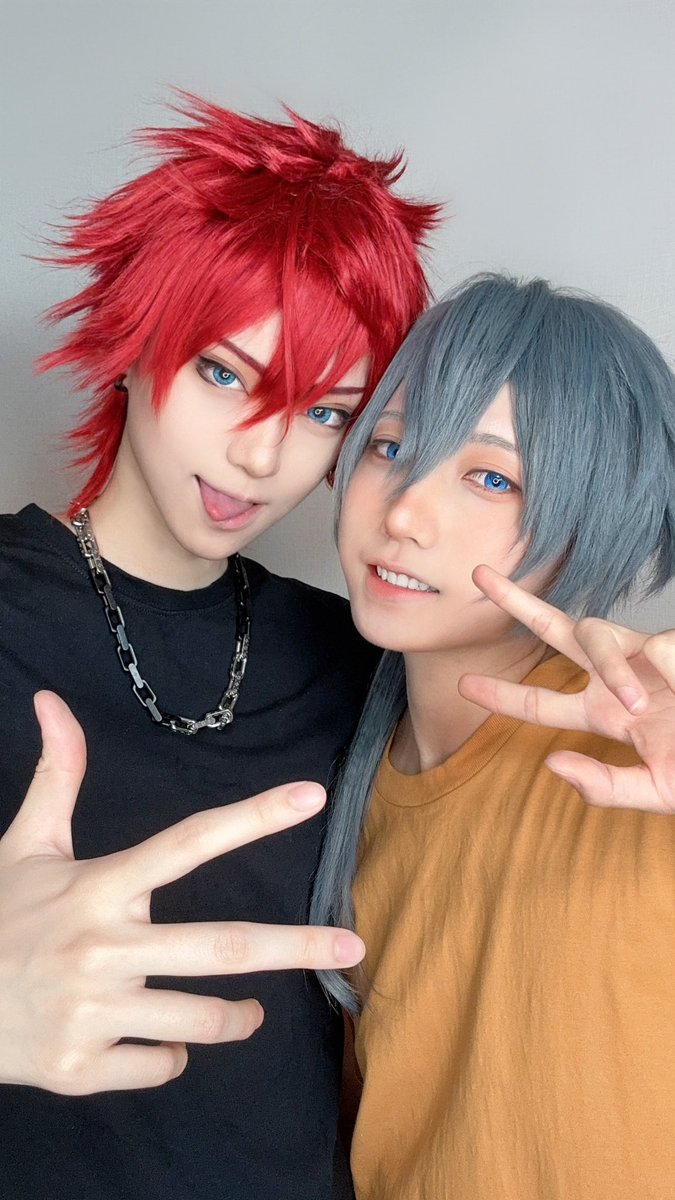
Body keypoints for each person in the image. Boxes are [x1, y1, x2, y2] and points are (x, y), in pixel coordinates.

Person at [0, 94, 439, 1200]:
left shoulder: (363, 657)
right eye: (226, 375)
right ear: (134, 339)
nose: (261, 457)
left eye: (325, 412)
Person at [311, 273, 675, 1199]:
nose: (403, 513)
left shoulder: (642, 759)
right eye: (390, 445)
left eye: (490, 477)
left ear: (592, 522)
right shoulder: (336, 781)